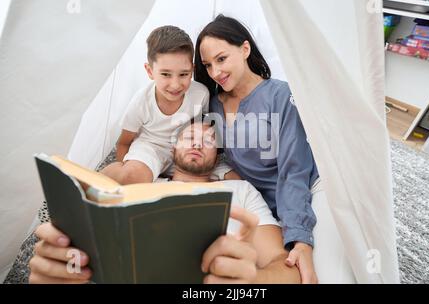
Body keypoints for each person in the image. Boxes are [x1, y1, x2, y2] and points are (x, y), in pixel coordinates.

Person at [29, 119, 301, 284]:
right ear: (172, 149)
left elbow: (286, 269)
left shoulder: (240, 190)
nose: (197, 144)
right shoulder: (140, 188)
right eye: (189, 137)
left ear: (218, 156)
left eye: (208, 141)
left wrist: (254, 281)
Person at [194, 15, 354, 283]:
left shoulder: (281, 95)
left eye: (221, 59)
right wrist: (224, 175)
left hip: (310, 190)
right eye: (208, 65)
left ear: (245, 49)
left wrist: (300, 238)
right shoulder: (213, 105)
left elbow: (295, 169)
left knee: (320, 276)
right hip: (268, 205)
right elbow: (207, 152)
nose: (214, 72)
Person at [101, 25, 235, 185]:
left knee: (232, 177)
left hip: (186, 151)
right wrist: (127, 168)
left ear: (192, 70)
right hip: (151, 149)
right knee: (131, 176)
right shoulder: (142, 101)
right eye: (165, 74)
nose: (175, 84)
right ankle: (108, 174)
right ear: (150, 71)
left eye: (183, 74)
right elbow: (123, 142)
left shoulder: (201, 94)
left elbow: (203, 128)